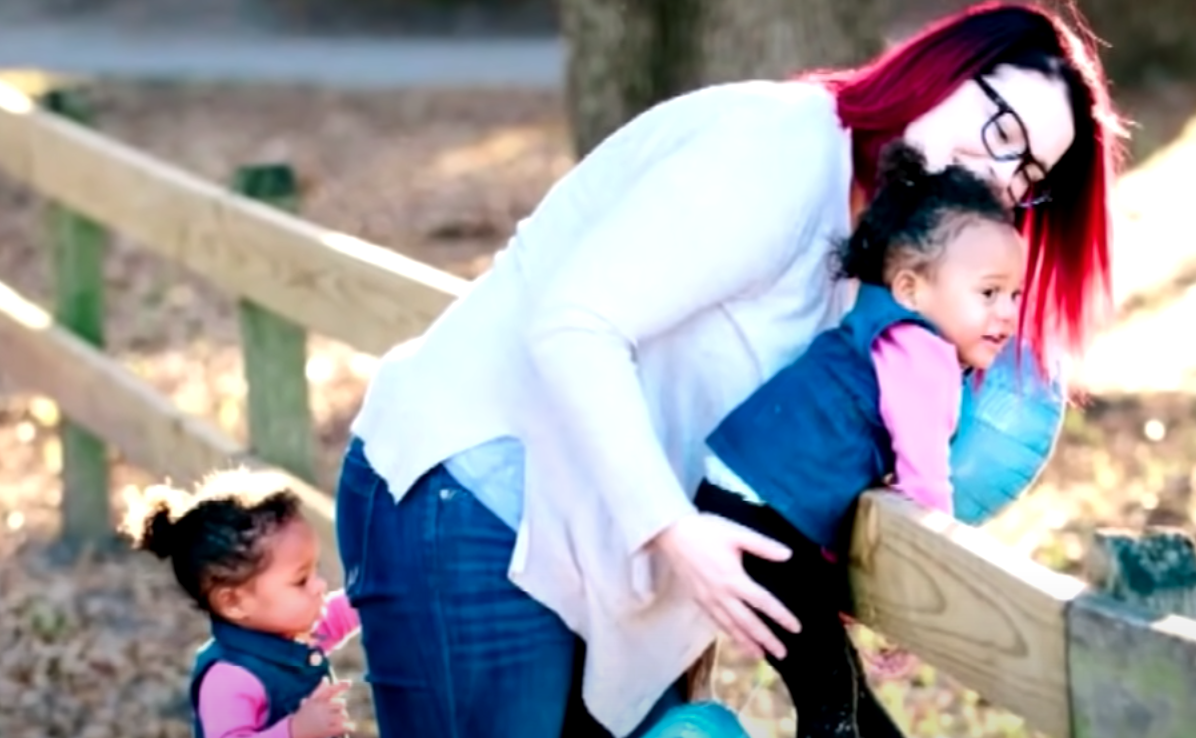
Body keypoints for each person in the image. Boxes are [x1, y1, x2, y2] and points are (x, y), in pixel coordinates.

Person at [333, 2, 1125, 736]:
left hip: (588, 535)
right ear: (943, 69)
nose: (999, 178)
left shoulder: (887, 248)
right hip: (476, 496)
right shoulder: (777, 149)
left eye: (1029, 177)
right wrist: (676, 533)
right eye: (1002, 130)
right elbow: (575, 325)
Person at [695, 140, 1024, 737]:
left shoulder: (872, 324)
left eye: (1013, 295)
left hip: (740, 501)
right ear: (911, 289)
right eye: (987, 293)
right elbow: (925, 479)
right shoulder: (924, 352)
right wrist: (924, 602)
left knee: (841, 689)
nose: (1006, 313)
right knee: (830, 705)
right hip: (762, 522)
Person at [121, 470, 360, 738]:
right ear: (234, 602)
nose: (320, 586)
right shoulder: (229, 678)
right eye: (301, 580)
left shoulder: (294, 633)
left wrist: (371, 594)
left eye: (314, 572)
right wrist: (295, 731)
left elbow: (340, 615)